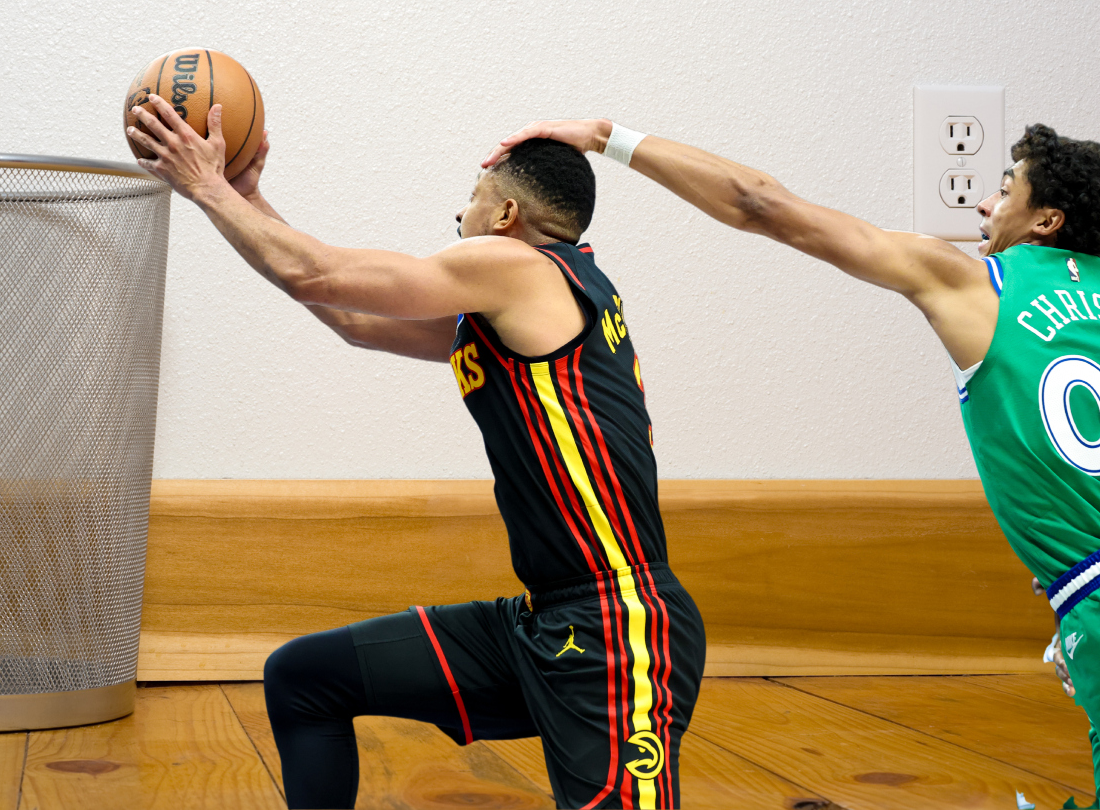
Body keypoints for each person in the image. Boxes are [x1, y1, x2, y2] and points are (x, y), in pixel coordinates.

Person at [482, 117, 1100, 808]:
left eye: (1005, 190)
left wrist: (606, 137)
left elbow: (760, 203)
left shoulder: (975, 283)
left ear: (1047, 220)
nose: (984, 206)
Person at [128, 94, 704, 810]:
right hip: (545, 624)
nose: (460, 216)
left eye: (471, 199)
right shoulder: (536, 302)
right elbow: (351, 316)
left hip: (619, 634)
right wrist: (249, 197)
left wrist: (208, 186)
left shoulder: (518, 268)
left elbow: (320, 274)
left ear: (504, 219)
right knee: (306, 679)